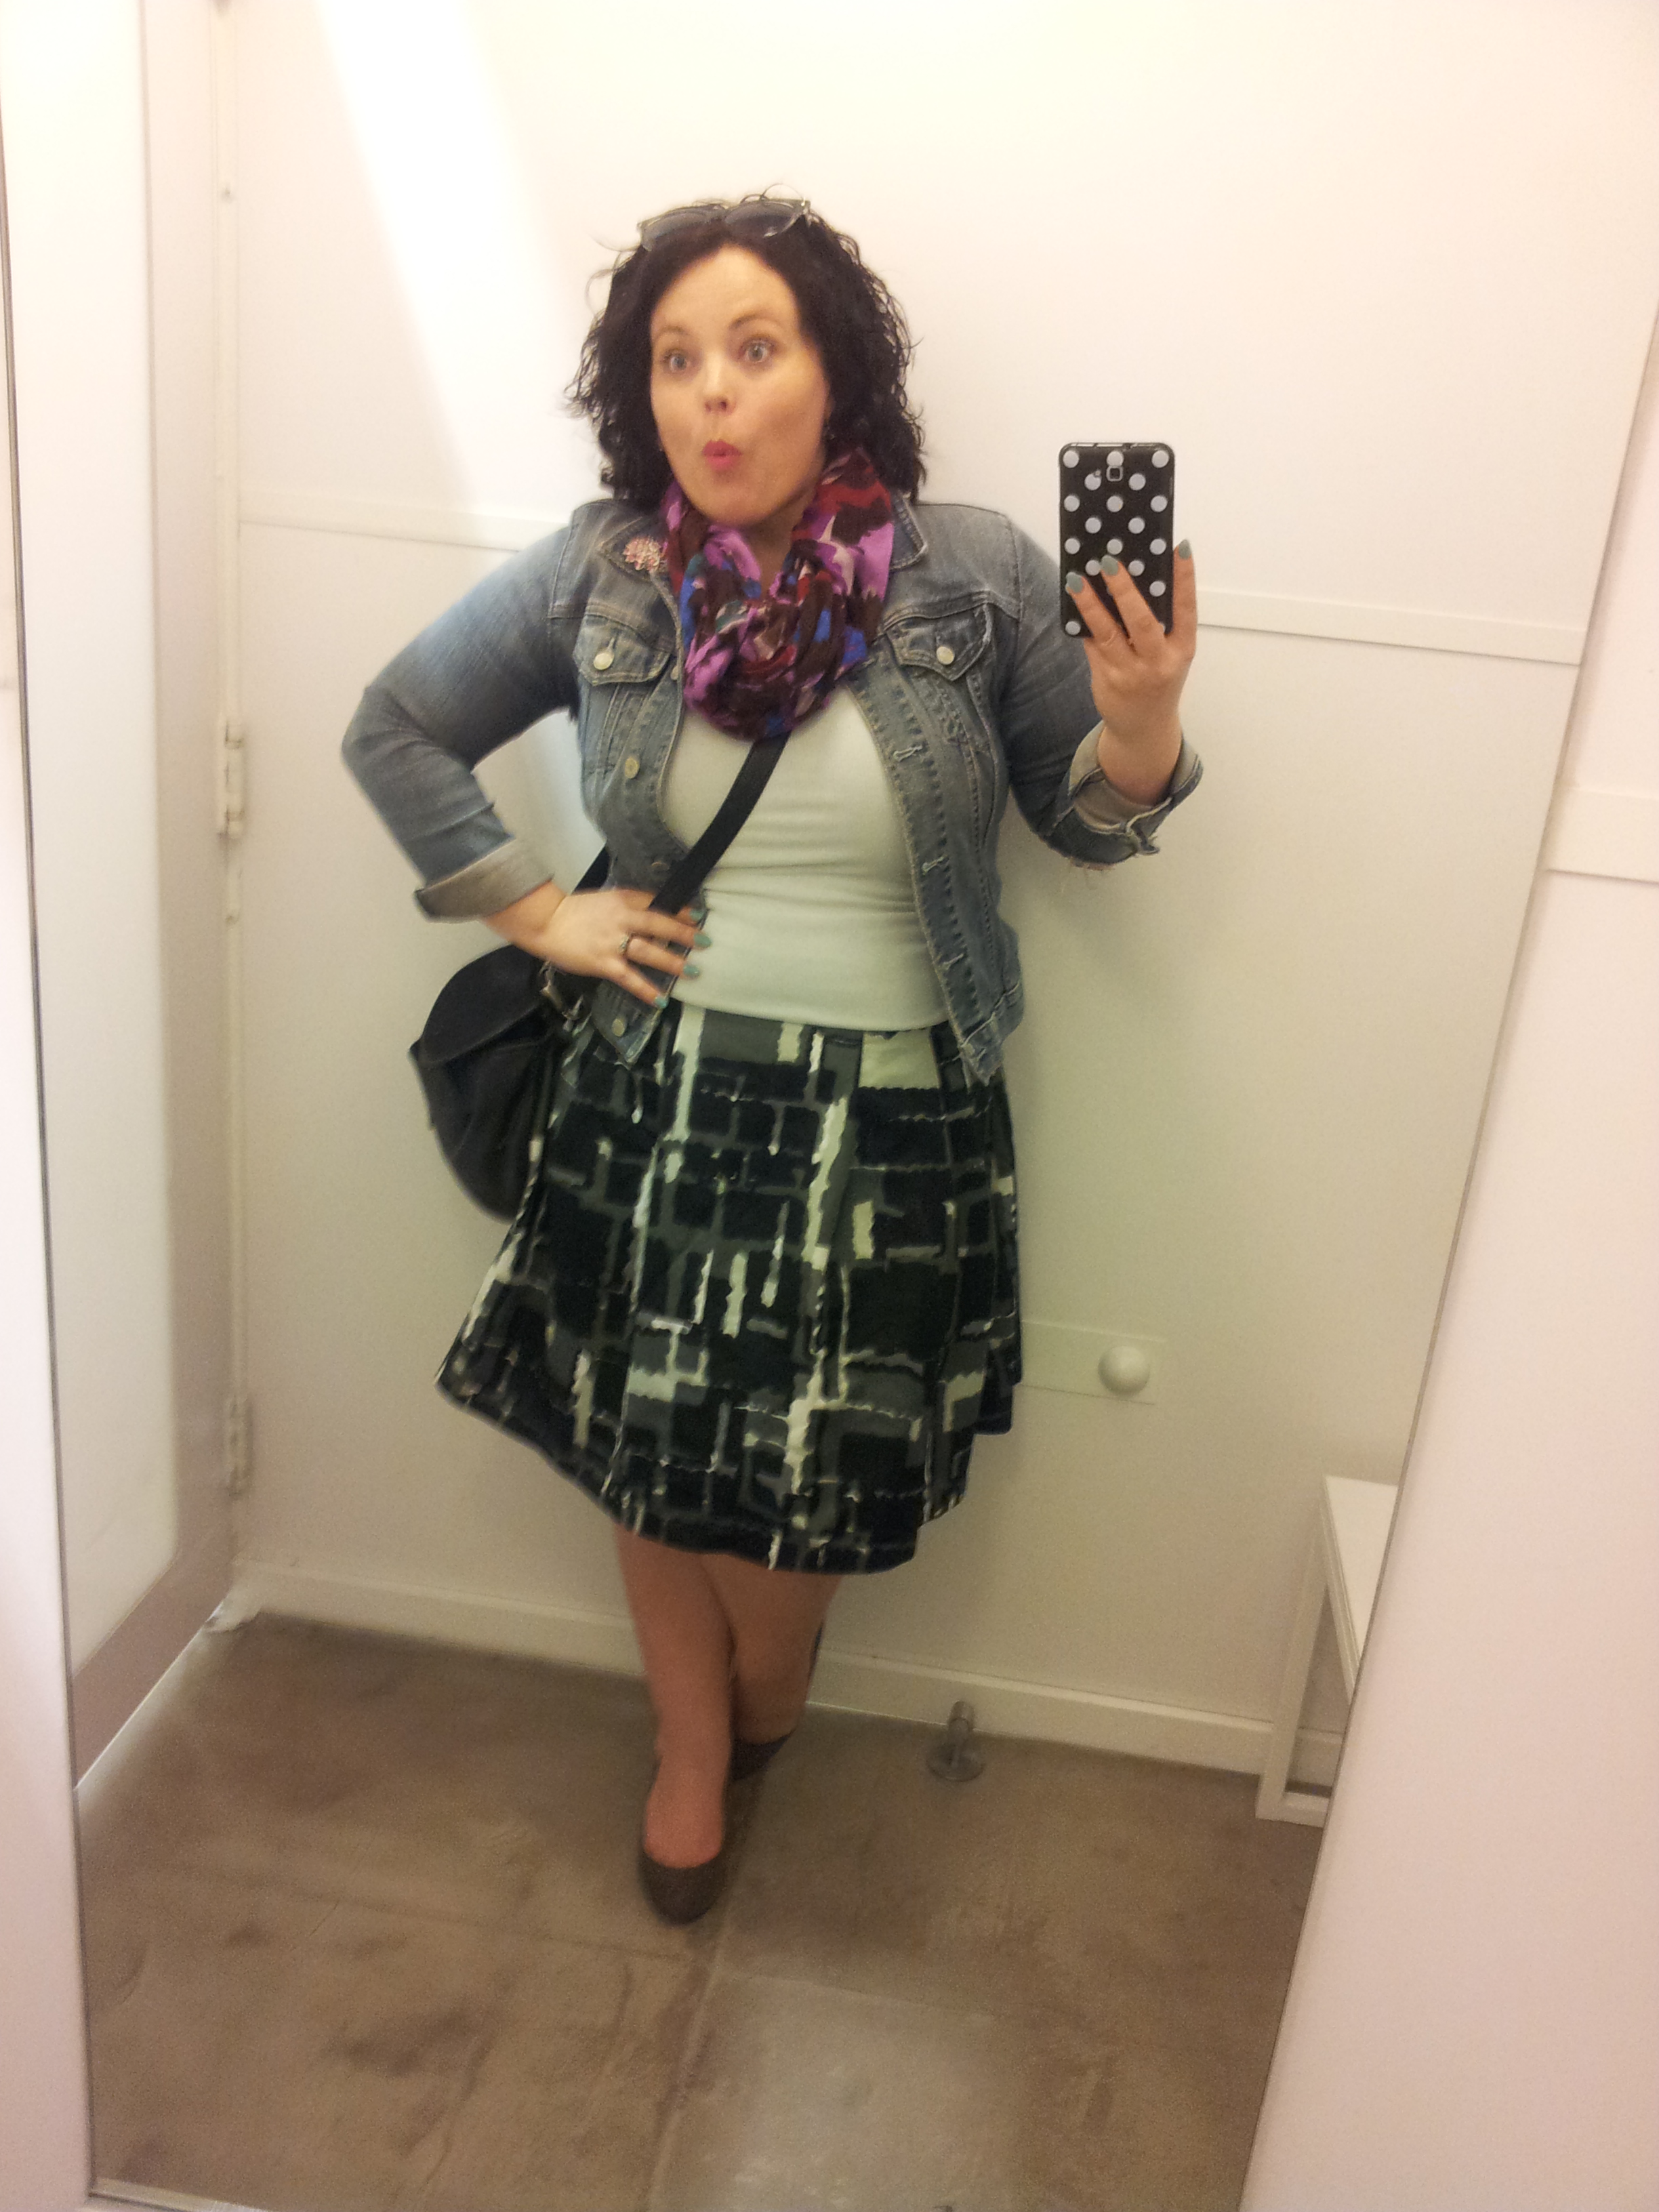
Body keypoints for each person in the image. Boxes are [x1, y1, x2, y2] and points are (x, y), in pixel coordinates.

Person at [343, 194, 1200, 1923]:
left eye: (752, 348)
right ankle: (687, 1747)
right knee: (650, 1458)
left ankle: (766, 1690)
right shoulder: (607, 571)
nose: (711, 393)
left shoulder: (975, 573)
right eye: (675, 360)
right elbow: (399, 725)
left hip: (895, 1117)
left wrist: (1142, 724)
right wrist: (537, 912)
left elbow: (1085, 823)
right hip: (656, 1091)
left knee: (810, 1496)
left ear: (836, 376)